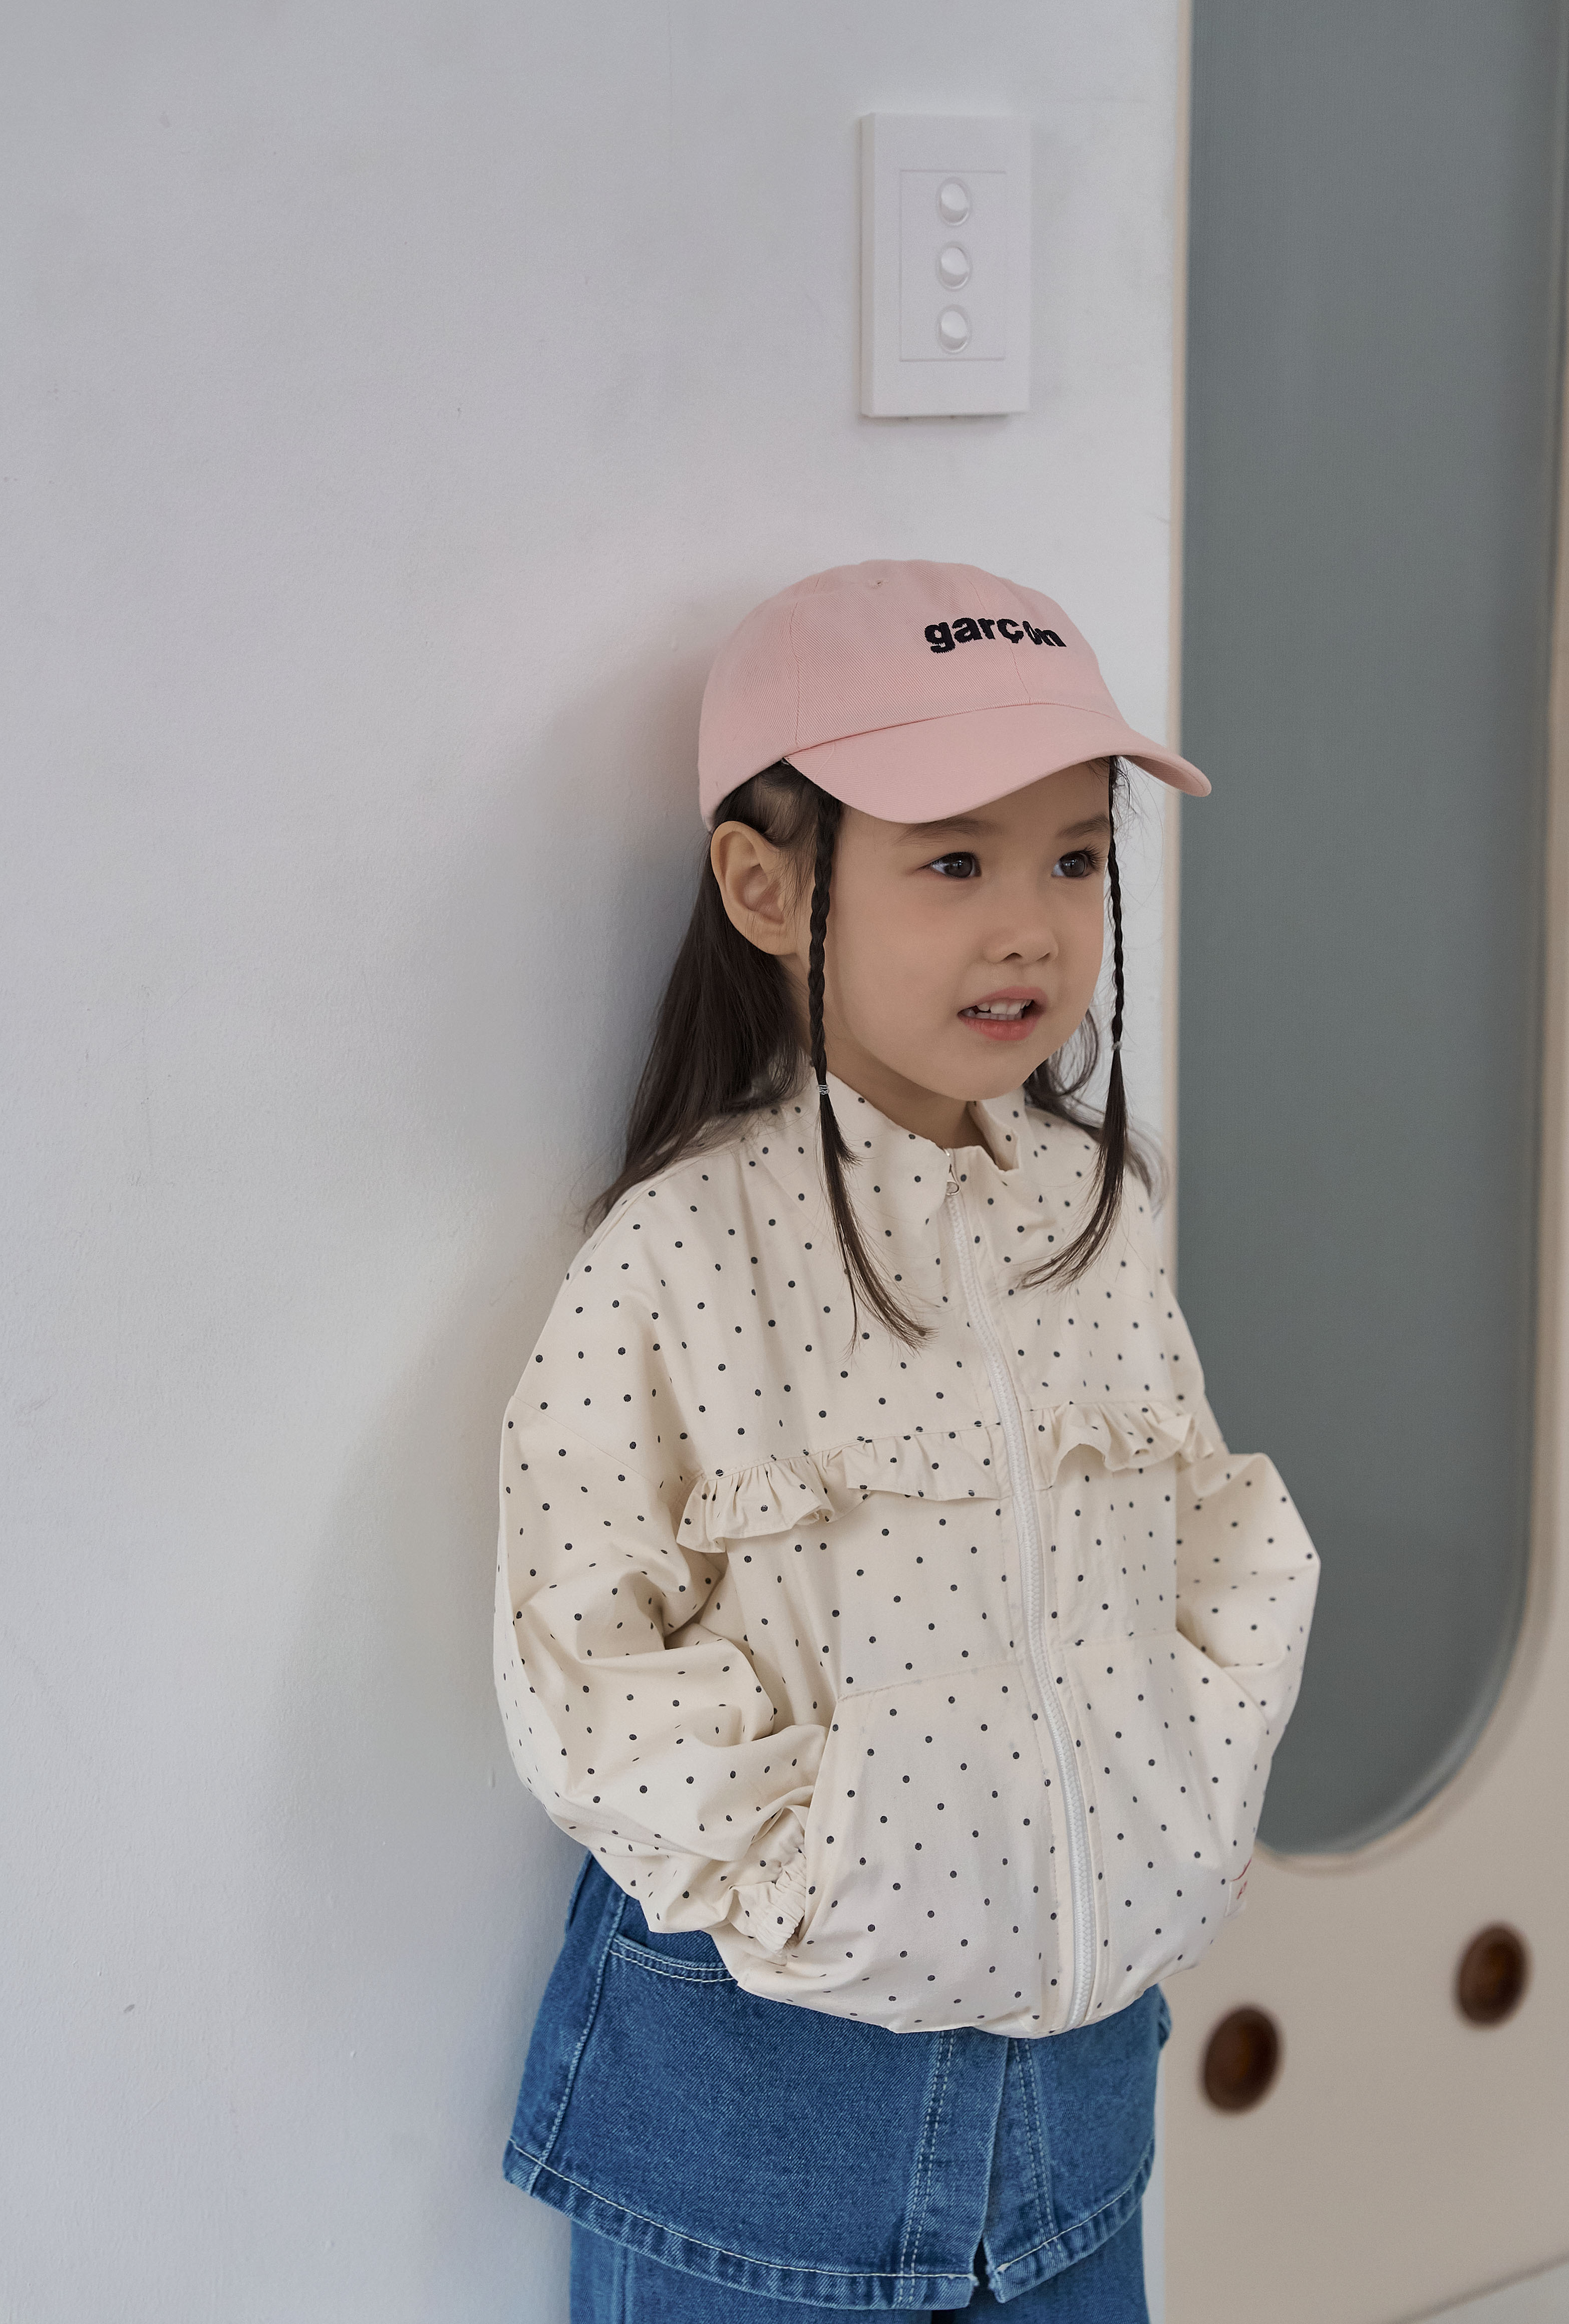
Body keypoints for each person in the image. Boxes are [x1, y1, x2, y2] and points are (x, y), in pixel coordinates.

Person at [493, 560, 1320, 2321]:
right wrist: (835, 1871)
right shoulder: (683, 1252)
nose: (1028, 926)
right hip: (759, 2135)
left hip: (1073, 2133)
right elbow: (582, 1648)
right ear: (767, 886)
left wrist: (1181, 1803)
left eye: (1074, 858)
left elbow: (1209, 1534)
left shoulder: (1089, 1216)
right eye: (954, 860)